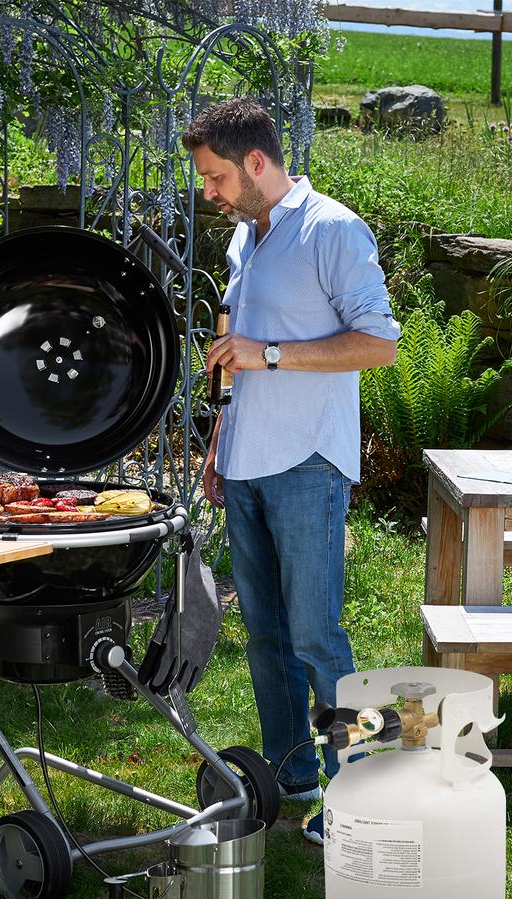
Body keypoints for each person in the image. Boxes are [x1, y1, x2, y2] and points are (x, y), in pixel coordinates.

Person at [182, 98, 400, 845]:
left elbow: (378, 344)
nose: (209, 192)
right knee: (266, 636)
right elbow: (236, 354)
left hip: (307, 459)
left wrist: (269, 355)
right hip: (246, 459)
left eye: (215, 177)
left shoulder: (331, 229)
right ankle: (292, 772)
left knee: (316, 636)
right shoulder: (246, 236)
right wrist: (221, 443)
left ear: (255, 162)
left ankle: (360, 792)